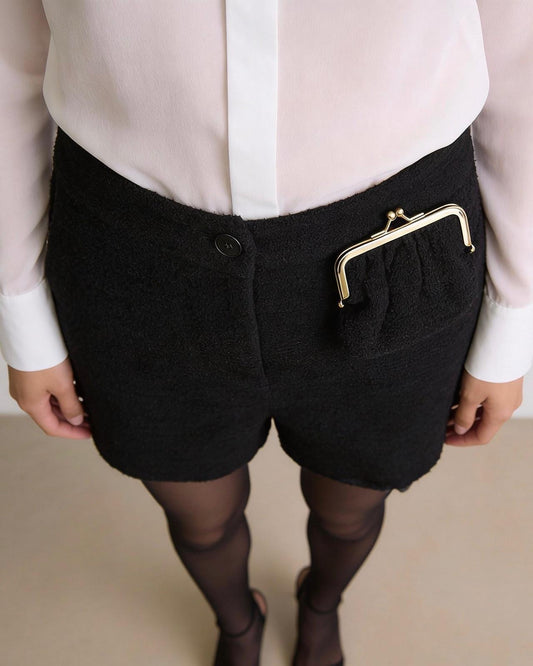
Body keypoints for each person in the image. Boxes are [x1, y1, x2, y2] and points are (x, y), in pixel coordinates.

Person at [1, 2, 531, 665]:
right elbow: (9, 62)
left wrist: (511, 317)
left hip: (396, 244)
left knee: (350, 508)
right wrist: (20, 308)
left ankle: (321, 603)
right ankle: (237, 622)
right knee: (199, 516)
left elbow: (519, 66)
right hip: (134, 248)